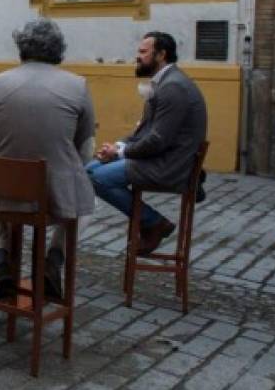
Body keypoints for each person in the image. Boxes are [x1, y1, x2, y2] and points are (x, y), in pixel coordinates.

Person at [0, 19, 96, 299]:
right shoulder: (77, 86)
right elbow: (86, 148)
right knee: (88, 204)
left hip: (5, 192)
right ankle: (54, 259)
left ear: (21, 47)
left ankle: (0, 256)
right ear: (58, 50)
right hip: (55, 195)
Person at [87, 31, 207, 256]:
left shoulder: (173, 87)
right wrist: (115, 147)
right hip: (156, 158)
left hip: (167, 165)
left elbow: (157, 140)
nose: (137, 57)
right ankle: (151, 222)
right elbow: (144, 131)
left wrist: (121, 152)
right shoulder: (164, 83)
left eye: (143, 52)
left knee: (98, 178)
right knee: (88, 170)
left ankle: (153, 223)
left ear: (161, 55)